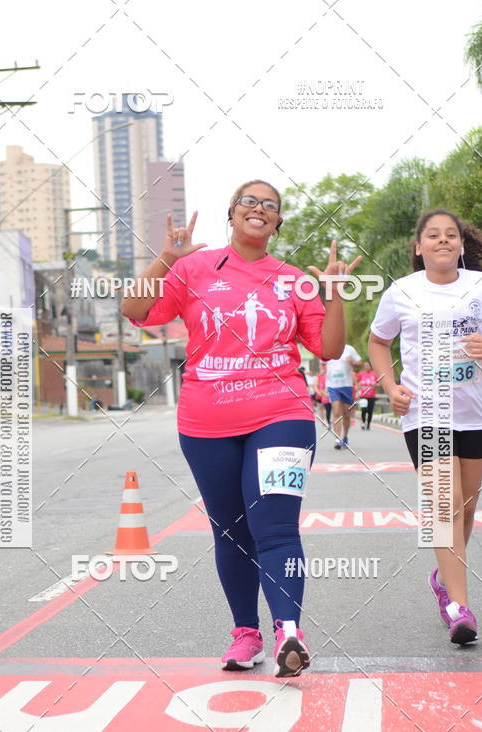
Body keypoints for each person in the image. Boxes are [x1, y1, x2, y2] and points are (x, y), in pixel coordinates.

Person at [122, 179, 360, 677]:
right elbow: (134, 311)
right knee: (230, 532)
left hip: (283, 416)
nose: (259, 208)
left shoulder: (293, 280)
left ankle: (288, 633)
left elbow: (331, 349)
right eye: (249, 201)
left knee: (274, 527)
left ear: (277, 223)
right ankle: (245, 634)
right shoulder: (192, 269)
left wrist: (335, 295)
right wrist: (165, 258)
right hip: (206, 423)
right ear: (231, 214)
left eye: (270, 206)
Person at [368, 209, 482, 645]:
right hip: (425, 413)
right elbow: (379, 342)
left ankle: (442, 578)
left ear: (461, 245)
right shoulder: (402, 292)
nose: (442, 241)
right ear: (419, 247)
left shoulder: (481, 287)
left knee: (466, 510)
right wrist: (390, 385)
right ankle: (460, 608)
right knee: (445, 507)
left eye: (450, 235)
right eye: (433, 236)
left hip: (473, 413)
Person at [326, 343, 363, 448]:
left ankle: (345, 437)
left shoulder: (349, 349)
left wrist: (352, 362)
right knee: (336, 412)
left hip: (346, 385)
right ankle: (337, 439)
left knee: (346, 414)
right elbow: (326, 369)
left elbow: (360, 363)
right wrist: (325, 387)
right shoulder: (328, 348)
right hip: (333, 386)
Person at [356, 360, 378, 429]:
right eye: (365, 366)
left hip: (372, 396)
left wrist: (376, 384)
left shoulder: (374, 374)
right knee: (364, 409)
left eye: (367, 366)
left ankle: (368, 424)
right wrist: (358, 385)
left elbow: (380, 383)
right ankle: (363, 422)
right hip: (363, 396)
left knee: (370, 411)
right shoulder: (361, 374)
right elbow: (356, 381)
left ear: (371, 367)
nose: (366, 367)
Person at [315, 362, 331, 429]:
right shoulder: (318, 376)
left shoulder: (329, 375)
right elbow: (315, 386)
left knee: (326, 408)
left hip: (326, 393)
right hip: (320, 393)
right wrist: (319, 392)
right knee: (320, 407)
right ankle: (323, 420)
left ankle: (327, 420)